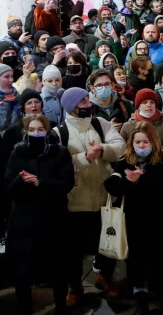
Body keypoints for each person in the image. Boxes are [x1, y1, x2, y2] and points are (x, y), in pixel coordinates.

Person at [55, 87, 126, 306]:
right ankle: (75, 287)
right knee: (73, 250)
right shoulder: (60, 132)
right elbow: (59, 163)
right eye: (83, 101)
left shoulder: (100, 124)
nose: (88, 104)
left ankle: (104, 278)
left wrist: (102, 150)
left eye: (88, 100)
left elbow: (120, 146)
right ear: (71, 106)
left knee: (108, 243)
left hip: (104, 196)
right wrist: (85, 157)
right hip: (77, 200)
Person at [104, 121, 163, 314]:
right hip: (136, 221)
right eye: (138, 142)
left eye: (146, 142)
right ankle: (141, 297)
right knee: (138, 261)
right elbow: (112, 185)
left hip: (162, 220)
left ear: (153, 142)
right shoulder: (125, 161)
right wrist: (128, 182)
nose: (142, 146)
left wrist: (141, 180)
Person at [4, 114, 74, 315]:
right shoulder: (17, 154)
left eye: (40, 130)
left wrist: (40, 183)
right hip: (23, 222)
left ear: (47, 131)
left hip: (52, 219)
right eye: (32, 130)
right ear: (26, 132)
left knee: (57, 269)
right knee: (23, 270)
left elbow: (66, 183)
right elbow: (8, 188)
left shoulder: (59, 153)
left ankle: (61, 306)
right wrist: (21, 180)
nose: (36, 133)